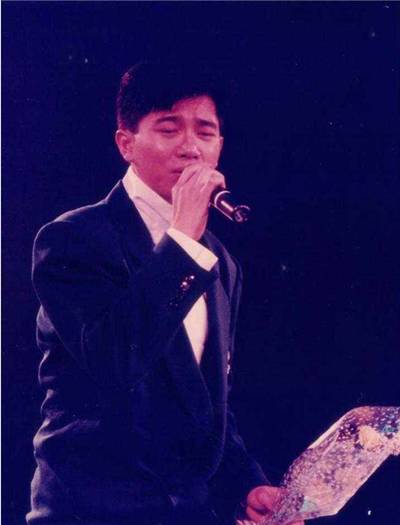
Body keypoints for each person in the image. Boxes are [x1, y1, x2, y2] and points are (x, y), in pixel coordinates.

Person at [28, 62, 303, 525]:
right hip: (89, 514)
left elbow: (205, 404)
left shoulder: (220, 263)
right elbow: (115, 360)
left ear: (219, 147)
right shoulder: (72, 239)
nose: (191, 147)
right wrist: (181, 239)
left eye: (205, 132)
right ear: (126, 144)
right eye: (169, 128)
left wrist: (246, 486)